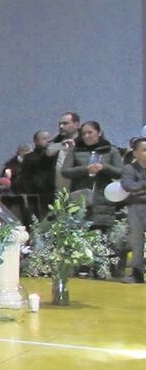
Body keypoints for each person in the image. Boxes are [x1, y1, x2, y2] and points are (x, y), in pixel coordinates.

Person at [60, 121, 123, 229]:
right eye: (83, 134)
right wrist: (85, 169)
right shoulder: (75, 150)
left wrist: (104, 167)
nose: (86, 136)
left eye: (90, 132)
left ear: (99, 133)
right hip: (80, 196)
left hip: (103, 198)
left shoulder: (110, 150)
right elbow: (65, 171)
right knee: (81, 230)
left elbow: (120, 172)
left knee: (102, 231)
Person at [120, 137, 146, 283]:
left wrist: (139, 188)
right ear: (135, 153)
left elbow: (135, 188)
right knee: (136, 241)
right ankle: (137, 273)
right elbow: (128, 186)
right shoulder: (129, 168)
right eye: (144, 150)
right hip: (135, 208)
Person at [52, 112, 81, 192]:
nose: (61, 127)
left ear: (76, 124)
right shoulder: (57, 141)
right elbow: (47, 151)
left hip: (77, 189)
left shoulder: (84, 142)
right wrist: (61, 145)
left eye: (65, 124)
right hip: (58, 192)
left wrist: (74, 146)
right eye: (60, 124)